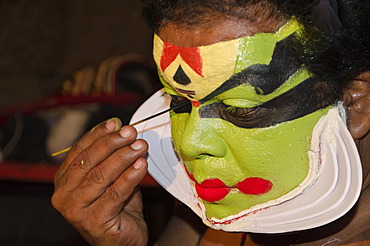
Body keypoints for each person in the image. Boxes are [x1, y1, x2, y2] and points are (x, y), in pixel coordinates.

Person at [51, 0, 370, 245]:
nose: (190, 143)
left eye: (239, 107)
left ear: (356, 103)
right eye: (178, 101)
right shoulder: (223, 206)